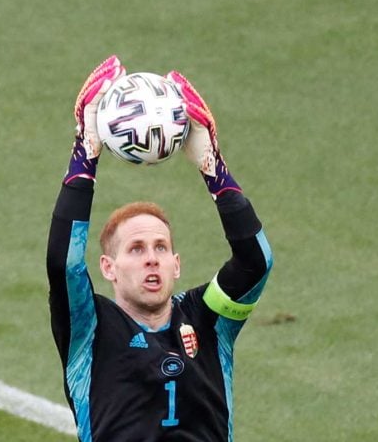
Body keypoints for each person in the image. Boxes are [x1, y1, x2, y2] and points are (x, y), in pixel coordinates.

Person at [46, 56, 273, 441]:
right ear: (108, 267)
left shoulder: (209, 319)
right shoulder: (90, 327)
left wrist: (213, 169)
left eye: (161, 248)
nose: (152, 257)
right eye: (135, 249)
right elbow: (64, 264)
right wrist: (86, 152)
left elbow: (256, 261)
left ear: (176, 264)